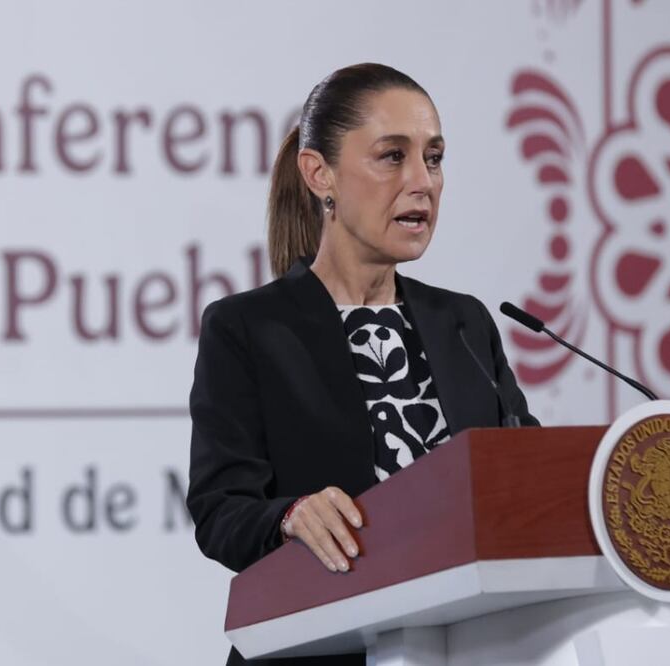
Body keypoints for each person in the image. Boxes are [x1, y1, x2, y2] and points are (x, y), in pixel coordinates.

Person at [186, 63, 539, 666]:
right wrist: (291, 516)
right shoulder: (249, 328)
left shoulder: (465, 324)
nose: (421, 181)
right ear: (319, 173)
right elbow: (221, 512)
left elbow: (526, 479)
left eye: (434, 157)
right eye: (391, 156)